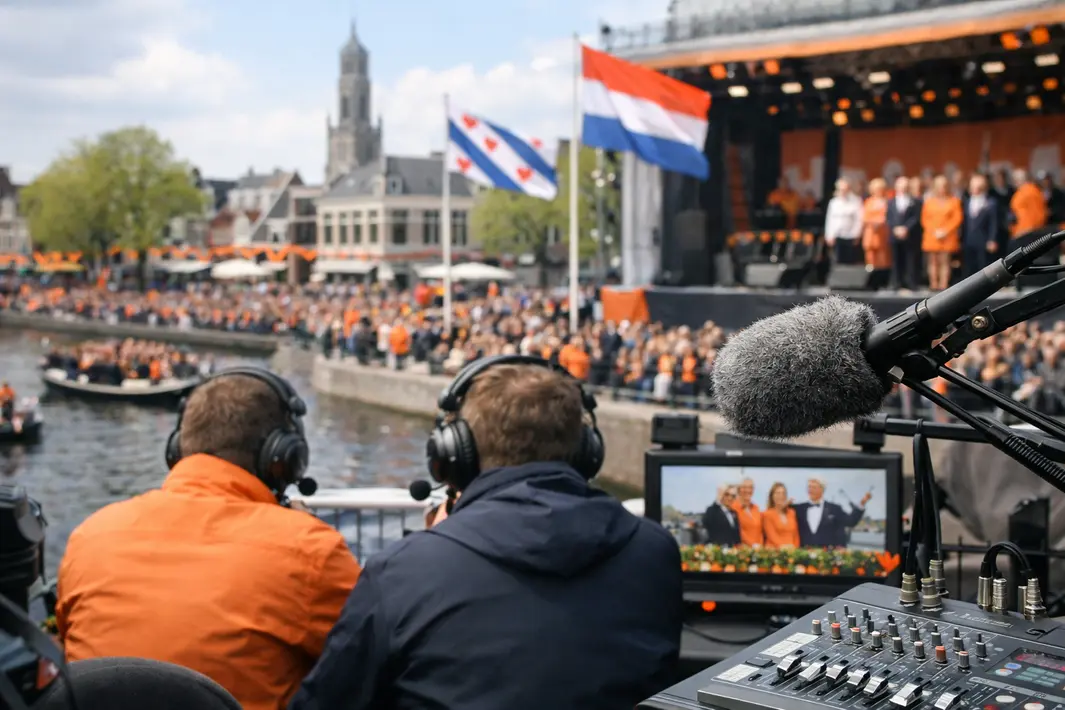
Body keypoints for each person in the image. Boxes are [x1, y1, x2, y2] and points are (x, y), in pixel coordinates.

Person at [291, 356, 682, 710]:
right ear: (587, 451)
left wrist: (441, 543)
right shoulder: (653, 550)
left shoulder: (403, 569)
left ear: (453, 455)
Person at [55, 368, 361, 710]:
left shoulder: (91, 535)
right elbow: (372, 663)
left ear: (177, 449)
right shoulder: (311, 550)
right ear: (285, 458)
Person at [792, 478, 870, 548]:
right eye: (809, 487)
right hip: (804, 557)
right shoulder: (798, 508)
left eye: (814, 487)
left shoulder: (835, 509)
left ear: (822, 490)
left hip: (828, 557)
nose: (810, 490)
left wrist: (862, 503)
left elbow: (851, 521)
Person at [920, 175, 963, 291]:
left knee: (945, 261)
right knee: (932, 261)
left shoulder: (954, 201)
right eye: (939, 186)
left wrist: (945, 231)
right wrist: (934, 231)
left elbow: (957, 218)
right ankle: (933, 284)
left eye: (944, 186)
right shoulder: (929, 202)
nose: (941, 189)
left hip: (947, 236)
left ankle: (943, 285)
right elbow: (925, 219)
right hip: (932, 236)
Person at [962, 173, 1001, 278]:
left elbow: (994, 223)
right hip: (968, 239)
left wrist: (992, 239)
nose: (975, 189)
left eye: (978, 186)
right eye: (973, 186)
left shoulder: (991, 203)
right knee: (969, 266)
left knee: (983, 266)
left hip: (983, 239)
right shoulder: (966, 201)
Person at [886, 176, 922, 290]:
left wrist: (906, 228)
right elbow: (888, 217)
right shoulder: (891, 201)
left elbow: (916, 217)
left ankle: (911, 283)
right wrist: (895, 228)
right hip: (895, 234)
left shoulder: (915, 201)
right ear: (896, 187)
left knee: (910, 260)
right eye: (900, 186)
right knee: (896, 260)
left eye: (905, 186)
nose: (903, 188)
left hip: (910, 235)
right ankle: (896, 283)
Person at [824, 178, 864, 265]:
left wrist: (856, 234)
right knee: (836, 261)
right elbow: (829, 220)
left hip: (850, 236)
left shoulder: (856, 201)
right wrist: (829, 235)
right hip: (837, 235)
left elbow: (859, 220)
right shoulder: (833, 202)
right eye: (841, 189)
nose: (843, 191)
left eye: (845, 189)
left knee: (849, 262)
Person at [762, 482, 799, 549]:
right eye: (778, 493)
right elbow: (772, 536)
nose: (781, 496)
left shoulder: (792, 513)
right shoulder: (767, 514)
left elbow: (796, 535)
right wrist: (785, 548)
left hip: (792, 553)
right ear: (772, 496)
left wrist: (795, 549)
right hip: (774, 552)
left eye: (783, 493)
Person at [731, 478, 763, 546]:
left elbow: (760, 530)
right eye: (744, 487)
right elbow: (738, 531)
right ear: (739, 489)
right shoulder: (733, 507)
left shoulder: (756, 508)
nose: (748, 490)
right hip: (742, 550)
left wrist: (760, 545)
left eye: (750, 487)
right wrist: (752, 545)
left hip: (759, 549)